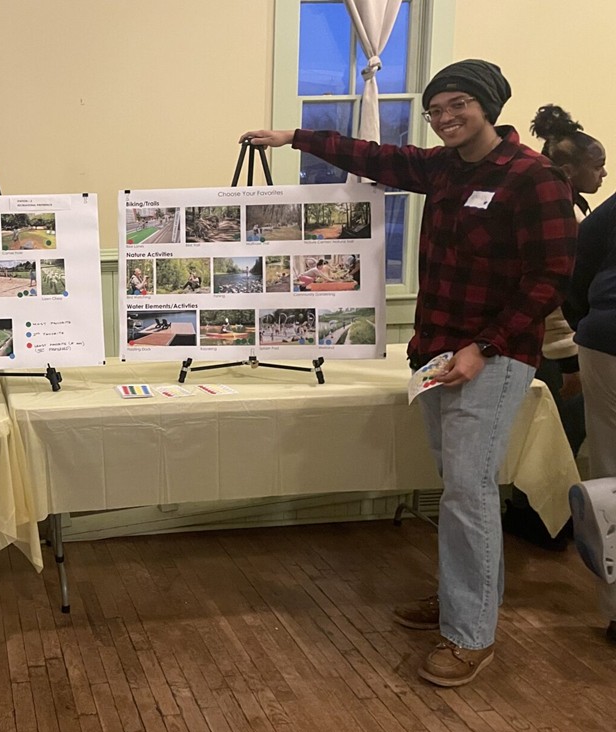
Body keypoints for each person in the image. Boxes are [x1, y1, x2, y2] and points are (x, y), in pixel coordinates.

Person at [242, 59, 577, 687]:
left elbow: (550, 278)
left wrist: (483, 347)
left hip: (491, 358)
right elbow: (375, 156)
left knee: (469, 494)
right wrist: (293, 137)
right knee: (459, 487)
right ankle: (460, 598)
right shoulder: (444, 168)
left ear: (488, 106)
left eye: (458, 105)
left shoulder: (533, 178)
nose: (445, 118)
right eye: (435, 109)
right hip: (436, 354)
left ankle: (471, 634)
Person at [506, 105, 607, 548]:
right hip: (551, 347)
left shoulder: (566, 207)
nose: (604, 174)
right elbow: (556, 295)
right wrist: (568, 359)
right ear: (568, 170)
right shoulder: (558, 212)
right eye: (597, 165)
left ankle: (539, 519)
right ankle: (541, 523)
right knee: (556, 439)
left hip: (549, 342)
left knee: (550, 436)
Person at [564, 189, 616, 644]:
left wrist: (588, 321)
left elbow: (577, 264)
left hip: (604, 339)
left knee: (611, 473)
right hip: (603, 335)